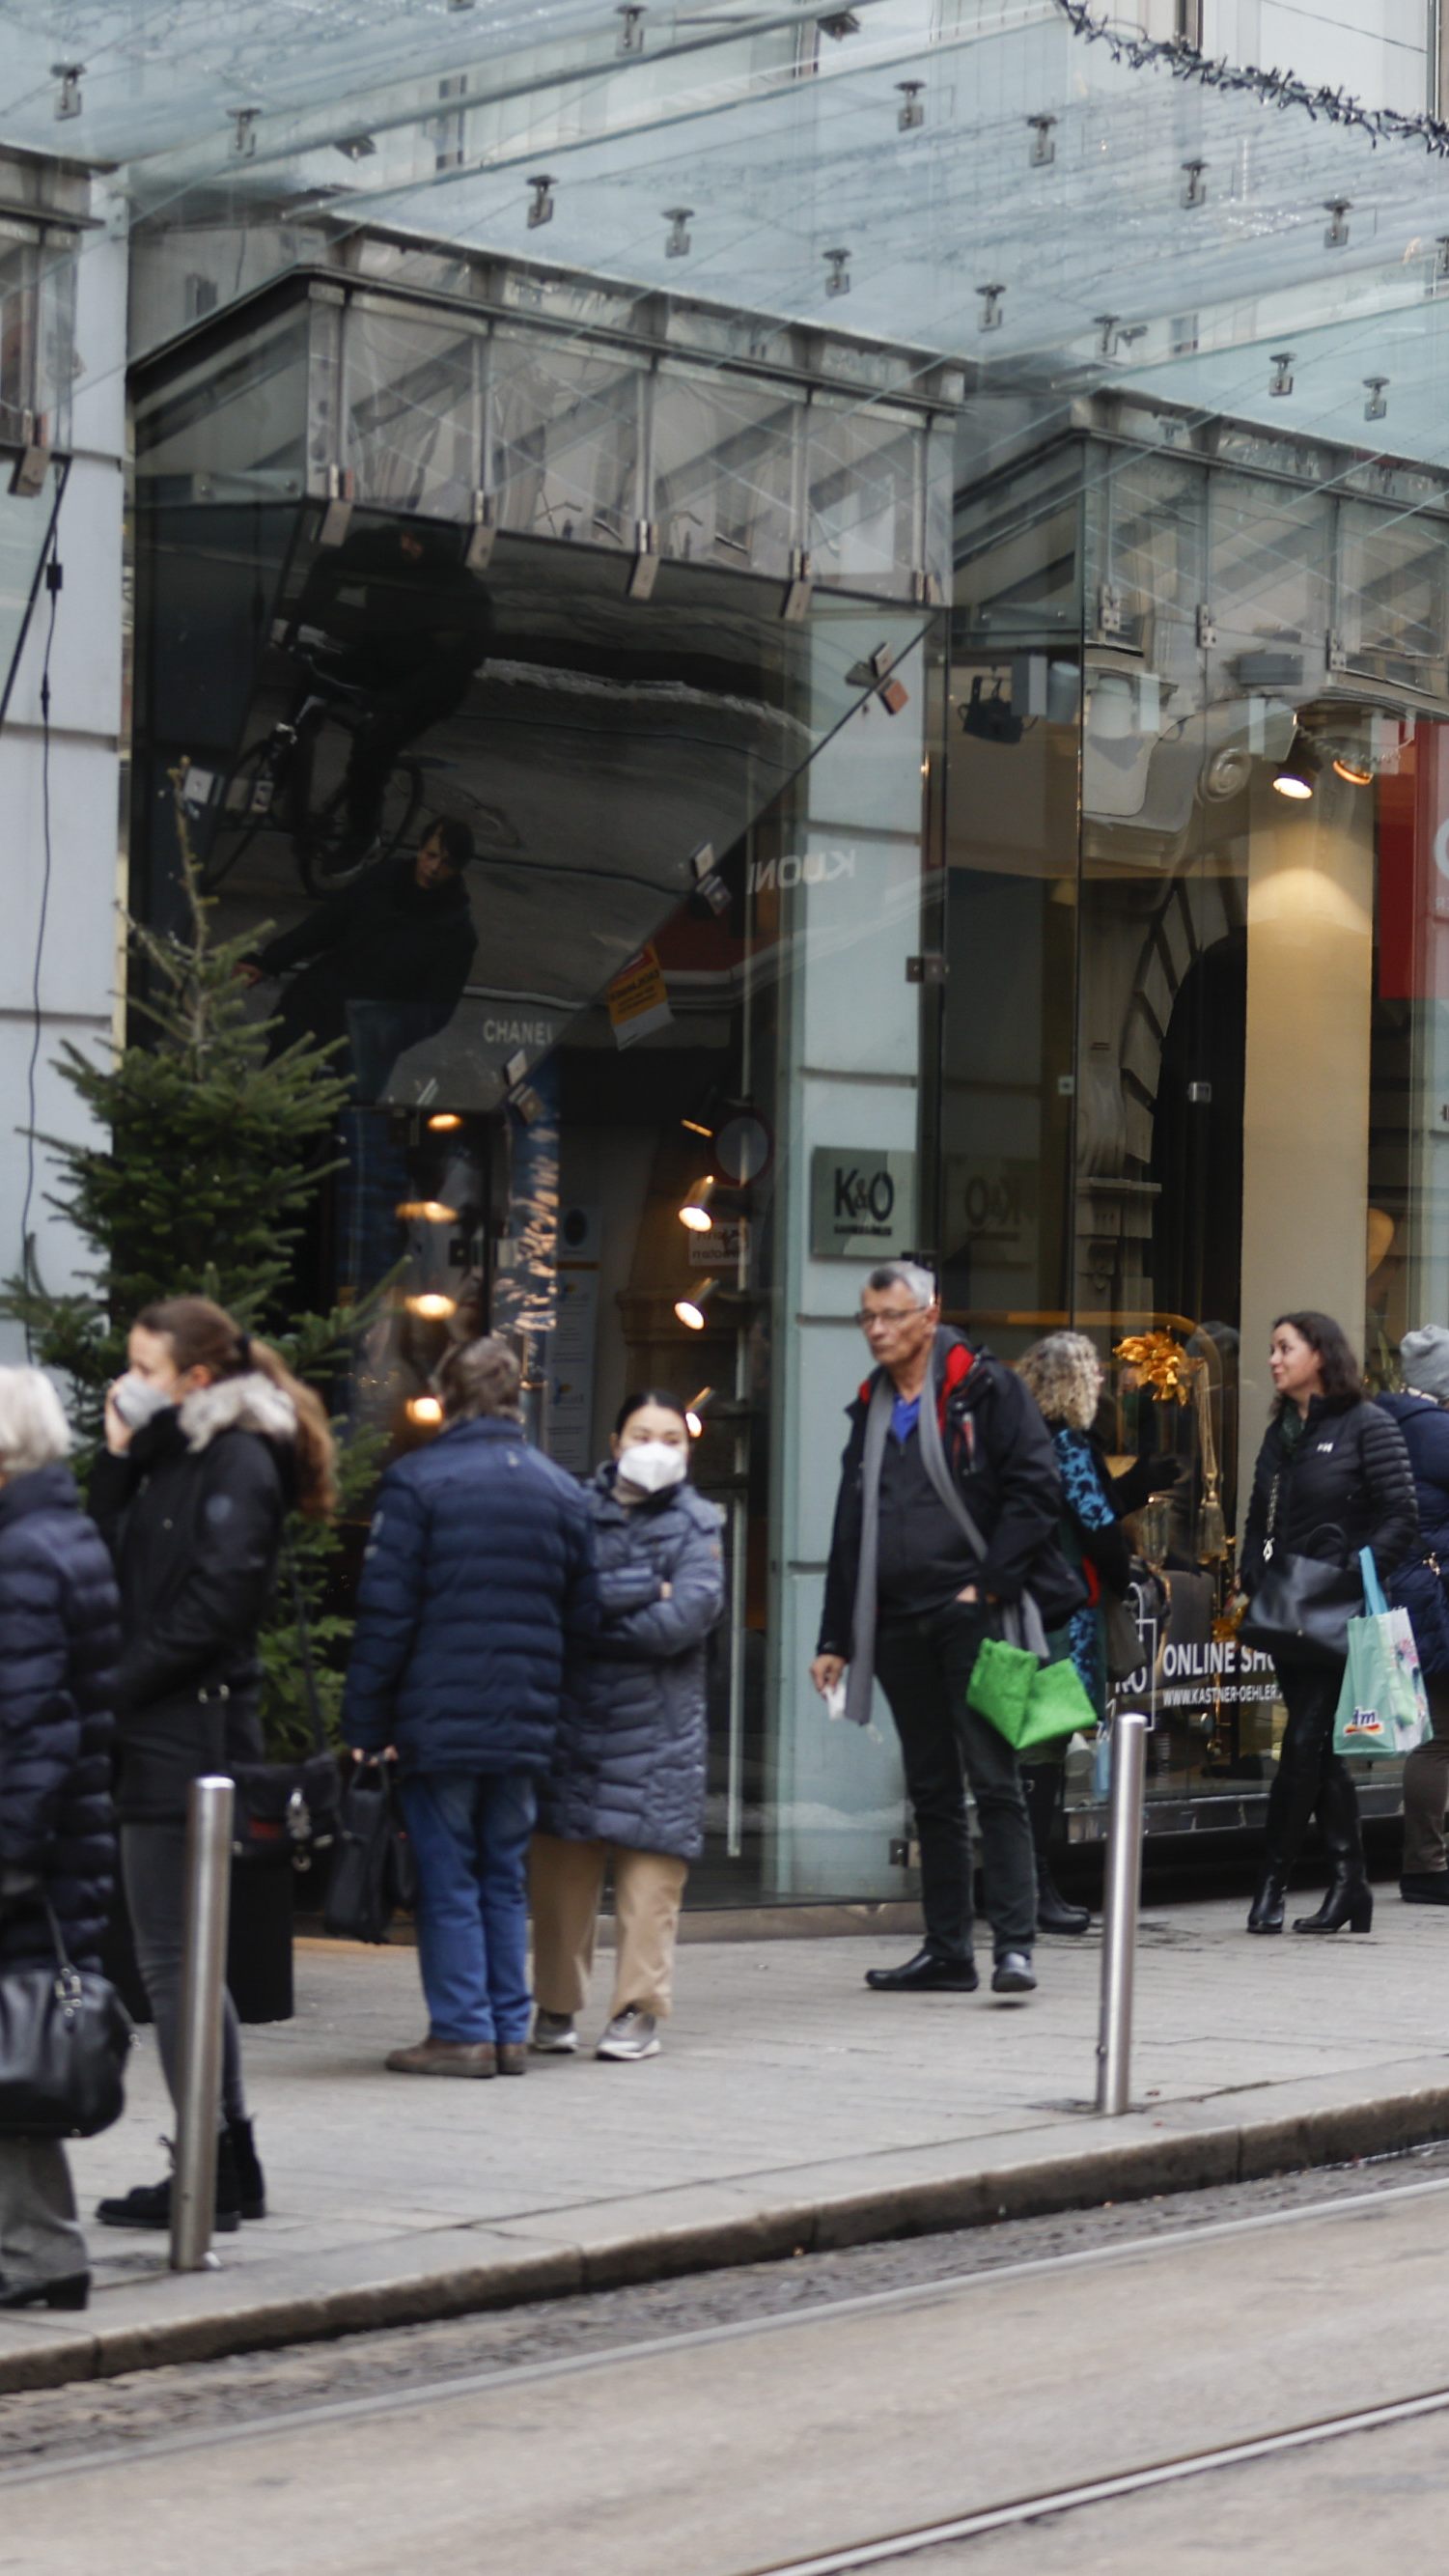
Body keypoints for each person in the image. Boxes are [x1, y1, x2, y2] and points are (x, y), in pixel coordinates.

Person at [89, 1297, 337, 2230]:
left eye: (143, 1370)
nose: (128, 1384)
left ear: (195, 1380)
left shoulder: (234, 1457)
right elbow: (101, 1549)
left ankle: (215, 2170)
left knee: (173, 1964)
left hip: (186, 1736)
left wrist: (115, 1685)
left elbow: (216, 1606)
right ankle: (226, 2161)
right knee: (181, 1963)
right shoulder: (179, 1451)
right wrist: (119, 1454)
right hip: (159, 1730)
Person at [811, 1262, 1082, 1998]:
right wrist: (834, 1636)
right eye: (867, 1317)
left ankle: (1014, 1946)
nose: (876, 1330)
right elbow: (848, 1526)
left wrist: (985, 1586)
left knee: (993, 1777)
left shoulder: (985, 1388)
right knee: (929, 1787)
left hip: (975, 1618)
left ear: (929, 1315)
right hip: (895, 1622)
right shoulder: (869, 1405)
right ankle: (946, 1949)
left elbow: (1036, 1490)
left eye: (890, 1316)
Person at [344, 1336, 596, 2077]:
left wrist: (364, 1724)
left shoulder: (418, 1484)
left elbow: (386, 1617)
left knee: (447, 1871)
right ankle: (508, 2030)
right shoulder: (560, 1490)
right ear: (518, 1398)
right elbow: (584, 1620)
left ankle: (461, 2031)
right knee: (502, 1873)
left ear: (446, 1400)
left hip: (439, 1718)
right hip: (524, 1719)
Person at [530, 1392, 725, 2063]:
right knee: (558, 1886)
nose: (655, 1447)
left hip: (661, 1736)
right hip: (576, 1725)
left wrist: (608, 1601)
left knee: (650, 1892)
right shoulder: (571, 1514)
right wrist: (650, 1588)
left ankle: (637, 2011)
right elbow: (562, 1606)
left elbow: (689, 1616)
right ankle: (553, 2007)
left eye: (671, 1437)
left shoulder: (700, 1522)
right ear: (614, 1442)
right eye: (642, 1434)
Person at [0, 1369, 120, 2311]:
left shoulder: (22, 1555)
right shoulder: (57, 1534)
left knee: (19, 2047)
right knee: (14, 2049)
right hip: (54, 1838)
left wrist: (10, 1849)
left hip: (28, 1849)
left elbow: (31, 1722)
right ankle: (38, 2251)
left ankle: (40, 2253)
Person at [1240, 1309, 1416, 1937]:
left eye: (1283, 1347)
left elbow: (1401, 1515)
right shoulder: (1280, 1434)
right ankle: (1350, 1886)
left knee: (1301, 1747)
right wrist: (1249, 1575)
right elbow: (1259, 1519)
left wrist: (1349, 1569)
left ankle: (1269, 1886)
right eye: (1271, 1348)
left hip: (1338, 1614)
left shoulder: (1367, 1424)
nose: (1272, 1360)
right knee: (1325, 1756)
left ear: (1319, 1353)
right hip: (1287, 1613)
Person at [1016, 1332, 1178, 1936]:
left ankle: (1027, 1883)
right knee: (1045, 1750)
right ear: (1073, 1383)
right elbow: (1098, 1528)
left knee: (1026, 1749)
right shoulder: (1069, 1445)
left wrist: (1134, 1482)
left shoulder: (1022, 1441)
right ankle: (1032, 1886)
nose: (1105, 1384)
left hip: (1021, 1609)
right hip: (1065, 1617)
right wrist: (1126, 1577)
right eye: (1096, 1374)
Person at [286, 520, 492, 866]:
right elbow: (331, 568)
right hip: (379, 658)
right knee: (313, 682)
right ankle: (285, 782)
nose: (407, 546)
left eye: (417, 541)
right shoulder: (385, 549)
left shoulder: (462, 593)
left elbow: (455, 666)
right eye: (405, 537)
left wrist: (399, 703)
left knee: (373, 749)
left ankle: (362, 835)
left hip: (429, 687)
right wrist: (299, 621)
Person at [242, 818, 478, 1104]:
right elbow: (327, 924)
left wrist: (382, 1032)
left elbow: (436, 1008)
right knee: (271, 1093)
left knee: (332, 1123)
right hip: (319, 1004)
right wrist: (269, 961)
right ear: (419, 849)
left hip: (363, 1038)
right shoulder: (384, 881)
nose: (434, 869)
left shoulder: (455, 933)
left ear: (459, 869)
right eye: (431, 856)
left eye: (447, 864)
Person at [1377, 1325, 1449, 1906]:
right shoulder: (1436, 1433)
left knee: (1431, 1731)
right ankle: (1426, 1865)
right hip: (1436, 1595)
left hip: (1400, 1588)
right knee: (1439, 1736)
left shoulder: (1379, 1423)